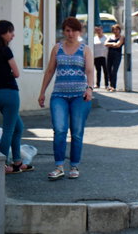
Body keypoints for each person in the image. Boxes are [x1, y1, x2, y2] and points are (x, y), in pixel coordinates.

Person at [38, 17, 94, 180]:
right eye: (67, 30)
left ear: (80, 31)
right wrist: (42, 92)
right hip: (59, 96)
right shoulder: (57, 48)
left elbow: (90, 71)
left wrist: (90, 88)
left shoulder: (85, 49)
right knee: (59, 130)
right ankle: (59, 166)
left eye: (74, 30)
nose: (71, 34)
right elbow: (49, 71)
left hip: (79, 96)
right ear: (63, 32)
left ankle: (74, 165)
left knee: (76, 132)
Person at [0, 20, 34, 174]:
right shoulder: (6, 51)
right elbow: (16, 73)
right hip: (10, 92)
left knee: (18, 127)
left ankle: (18, 162)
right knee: (8, 130)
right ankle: (2, 165)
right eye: (10, 31)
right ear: (2, 33)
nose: (13, 35)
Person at [105, 24, 124, 92]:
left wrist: (111, 44)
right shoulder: (110, 37)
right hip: (109, 54)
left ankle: (113, 86)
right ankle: (110, 85)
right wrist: (113, 44)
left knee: (114, 70)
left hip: (117, 55)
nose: (115, 31)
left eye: (116, 29)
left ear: (119, 30)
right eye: (114, 29)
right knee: (109, 70)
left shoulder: (121, 37)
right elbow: (105, 43)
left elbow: (118, 45)